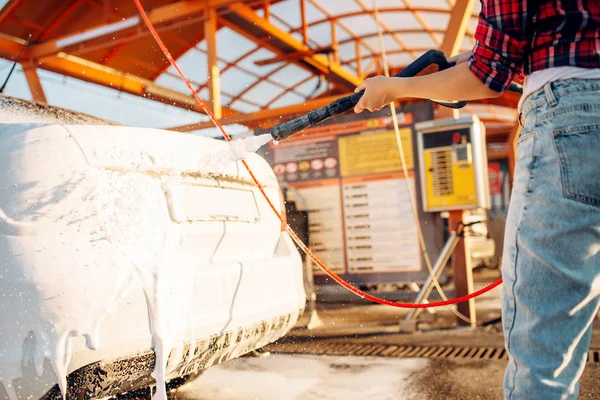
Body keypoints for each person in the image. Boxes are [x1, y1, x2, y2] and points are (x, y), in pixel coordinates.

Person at [354, 1, 600, 399]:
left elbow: (487, 76)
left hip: (568, 118)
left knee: (545, 353)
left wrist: (394, 88)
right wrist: (474, 59)